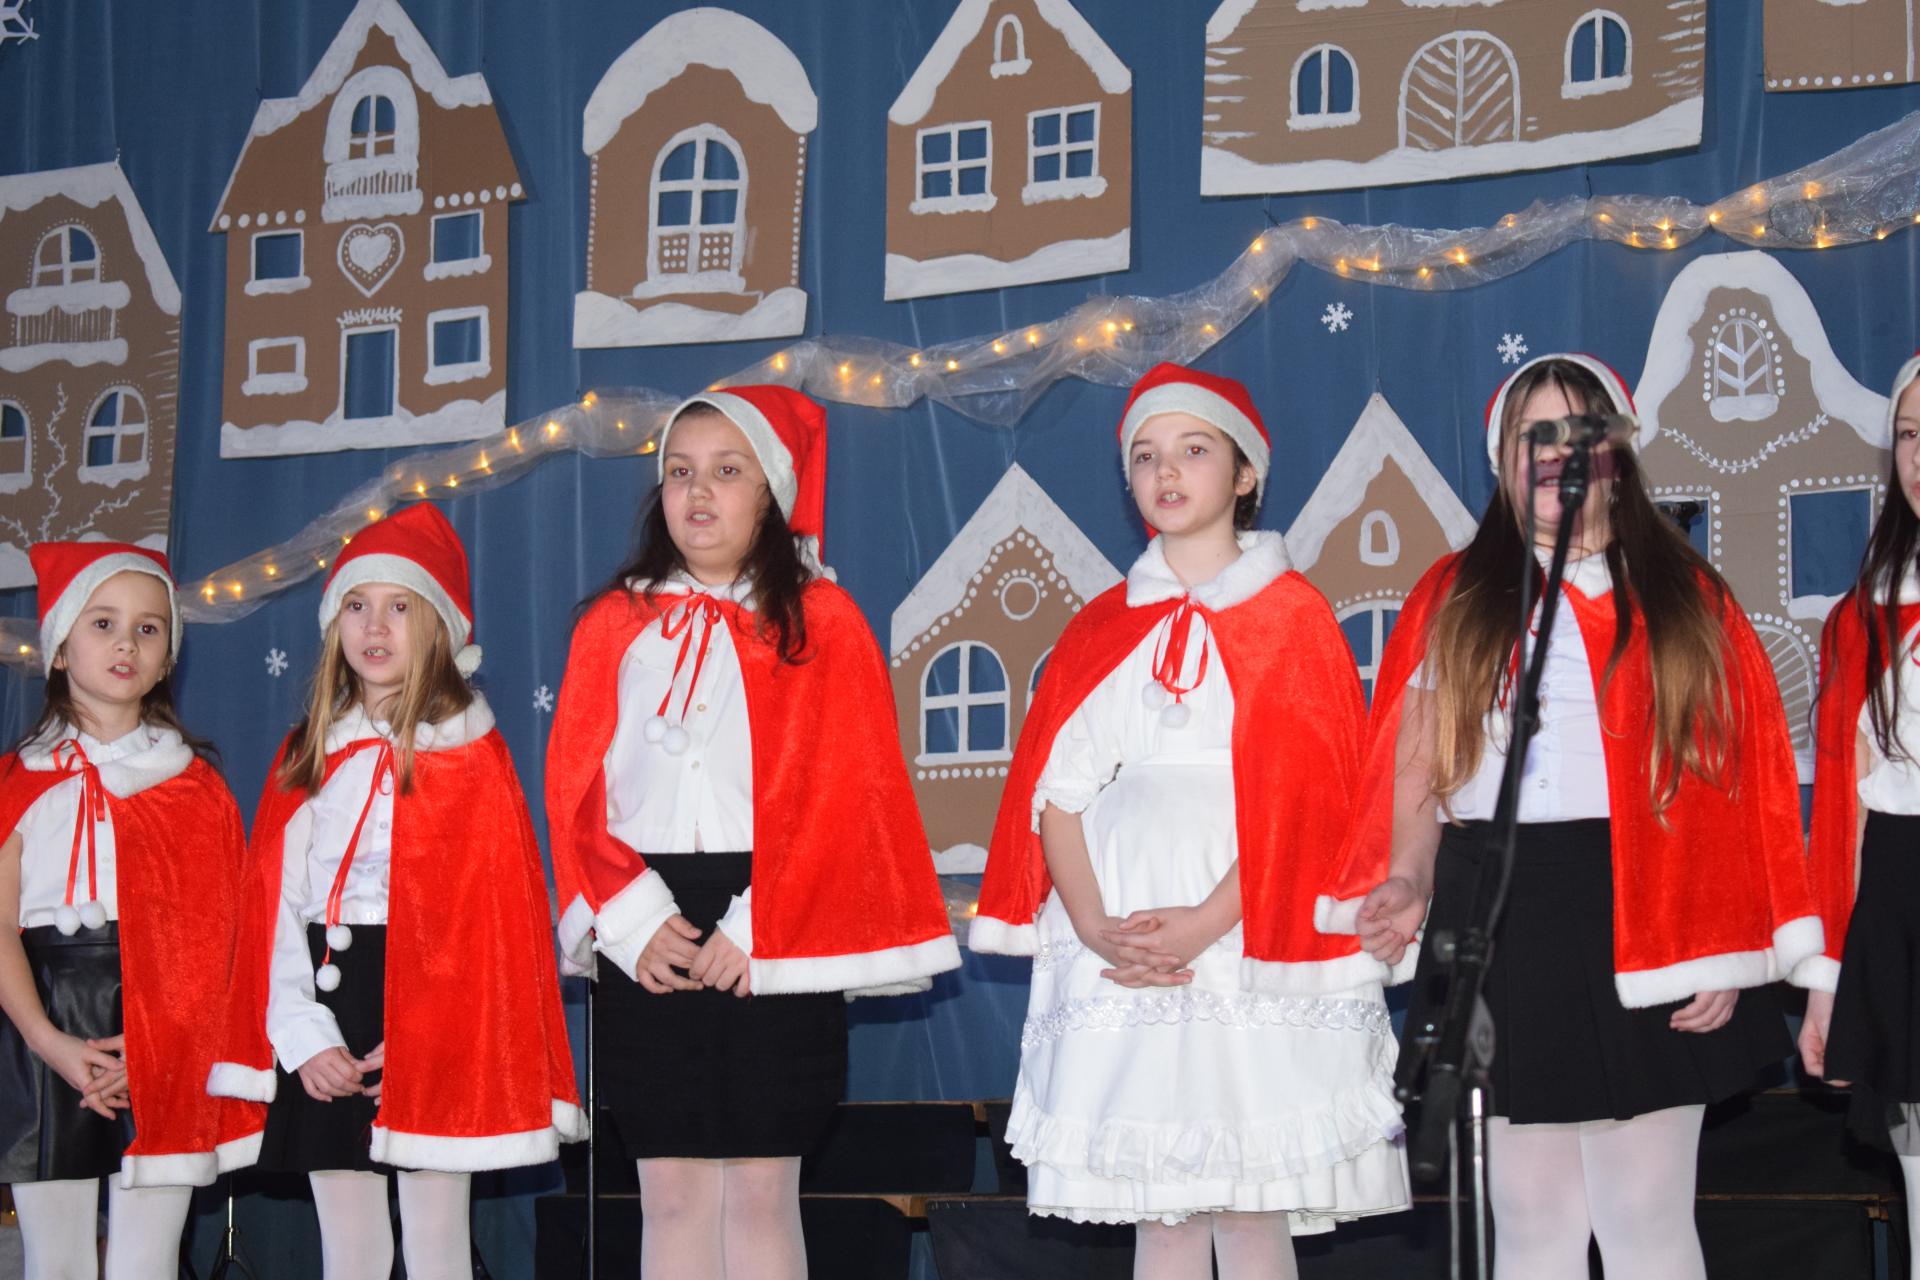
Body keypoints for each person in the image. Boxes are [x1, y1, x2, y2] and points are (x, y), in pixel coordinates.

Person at [1334, 353, 1820, 1280]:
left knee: (1645, 1216)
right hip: (1496, 911)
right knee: (1529, 1217)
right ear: (1502, 460)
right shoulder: (1453, 596)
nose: (1556, 455)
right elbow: (1419, 768)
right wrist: (1406, 877)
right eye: (1534, 436)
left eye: (1578, 432)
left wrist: (1717, 945)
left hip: (1643, 910)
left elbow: (1735, 791)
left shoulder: (1685, 600)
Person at [971, 363, 1409, 1280]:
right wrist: (1095, 924)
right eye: (1145, 456)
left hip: (1250, 927)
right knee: (1161, 1212)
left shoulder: (1293, 618)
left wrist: (1210, 920)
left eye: (1194, 450)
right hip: (1122, 934)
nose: (1166, 472)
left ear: (1245, 475)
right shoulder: (1102, 627)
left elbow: (1314, 803)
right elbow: (1056, 792)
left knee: (1250, 1204)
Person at [544, 386, 961, 1280]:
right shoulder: (613, 625)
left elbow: (847, 792)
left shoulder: (823, 620)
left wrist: (762, 922)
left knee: (763, 1190)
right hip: (647, 928)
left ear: (770, 492)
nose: (698, 493)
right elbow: (575, 787)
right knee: (671, 1194)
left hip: (777, 916)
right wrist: (628, 917)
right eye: (680, 472)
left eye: (727, 472)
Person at [208, 503, 583, 1280]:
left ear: (439, 626)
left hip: (436, 1012)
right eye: (356, 605)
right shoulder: (308, 752)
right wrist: (303, 1034)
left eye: (400, 606)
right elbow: (274, 908)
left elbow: (492, 923)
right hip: (326, 1003)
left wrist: (429, 1030)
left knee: (437, 1240)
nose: (375, 626)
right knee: (350, 1243)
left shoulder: (471, 756)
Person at [0, 541, 252, 1278]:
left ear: (169, 657)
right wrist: (48, 1041)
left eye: (148, 629)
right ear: (58, 647)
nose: (126, 644)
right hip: (42, 1021)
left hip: (167, 1029)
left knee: (147, 1259)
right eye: (103, 623)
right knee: (57, 1260)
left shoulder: (195, 789)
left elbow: (219, 941)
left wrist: (159, 1043)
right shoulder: (16, 782)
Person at [1799, 353, 1920, 1274]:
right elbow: (1846, 813)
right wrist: (1827, 984)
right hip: (1903, 901)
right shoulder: (1866, 616)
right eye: (1910, 435)